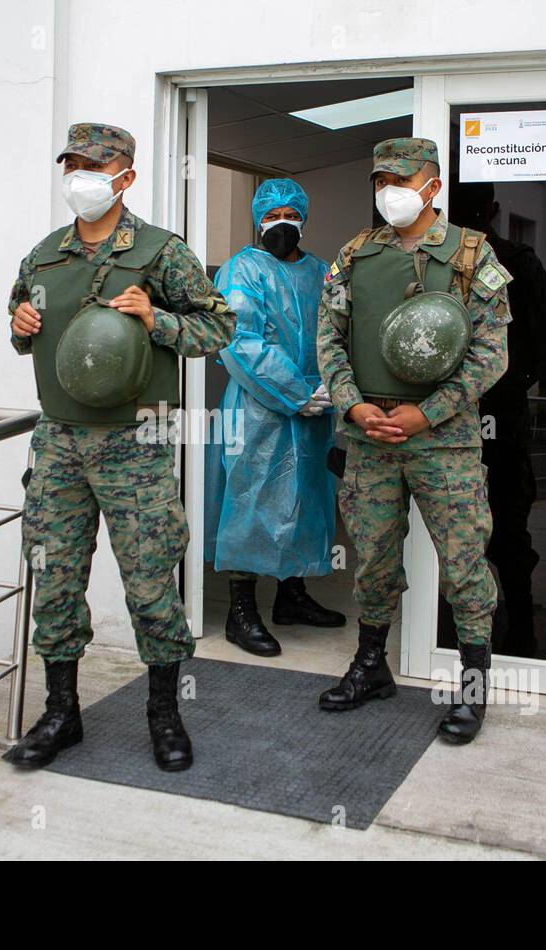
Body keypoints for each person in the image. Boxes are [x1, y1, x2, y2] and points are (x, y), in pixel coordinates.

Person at [6, 123, 235, 772]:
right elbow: (21, 321)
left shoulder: (161, 253)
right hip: (58, 445)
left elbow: (218, 327)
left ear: (125, 177)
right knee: (53, 577)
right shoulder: (44, 256)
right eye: (72, 165)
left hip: (136, 444)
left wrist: (154, 319)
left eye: (93, 166)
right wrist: (20, 325)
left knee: (149, 580)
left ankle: (164, 715)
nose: (80, 177)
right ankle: (61, 713)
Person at [316, 138, 512, 744]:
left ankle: (473, 689)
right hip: (370, 436)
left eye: (401, 181)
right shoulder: (354, 256)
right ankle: (371, 667)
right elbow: (330, 340)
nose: (388, 193)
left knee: (462, 561)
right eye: (380, 181)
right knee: (373, 556)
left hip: (444, 441)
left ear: (432, 187)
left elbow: (491, 354)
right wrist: (352, 403)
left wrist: (428, 414)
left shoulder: (471, 255)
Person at [204, 178, 344, 657]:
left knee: (308, 496)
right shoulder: (242, 270)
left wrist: (326, 391)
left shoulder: (321, 272)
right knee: (252, 499)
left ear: (303, 218)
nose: (280, 223)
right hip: (258, 407)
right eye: (271, 214)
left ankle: (293, 596)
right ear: (257, 218)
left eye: (289, 213)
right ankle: (240, 612)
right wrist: (296, 392)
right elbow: (242, 343)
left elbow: (336, 333)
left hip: (317, 405)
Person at [449, 181, 546, 657]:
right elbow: (543, 349)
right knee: (471, 526)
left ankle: (517, 626)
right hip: (456, 416)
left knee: (502, 526)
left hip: (484, 414)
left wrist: (499, 388)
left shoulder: (513, 261)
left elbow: (540, 342)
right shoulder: (434, 258)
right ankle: (502, 626)